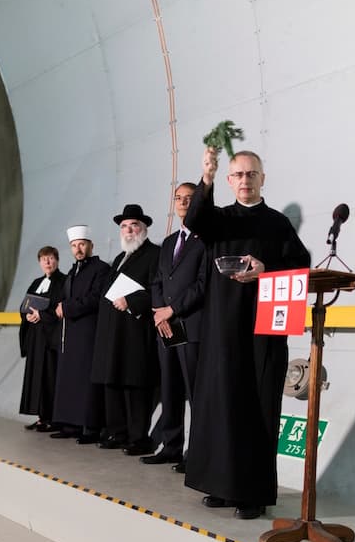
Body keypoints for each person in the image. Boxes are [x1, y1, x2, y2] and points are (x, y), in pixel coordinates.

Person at [183, 148, 311, 519]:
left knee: (258, 407)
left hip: (263, 330)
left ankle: (253, 493)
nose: (245, 180)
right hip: (222, 329)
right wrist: (205, 177)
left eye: (251, 174)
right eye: (238, 174)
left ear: (262, 179)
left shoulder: (278, 224)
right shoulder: (219, 219)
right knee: (222, 404)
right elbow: (194, 219)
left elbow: (300, 265)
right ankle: (222, 486)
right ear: (229, 180)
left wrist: (265, 269)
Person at [142, 182, 208, 470]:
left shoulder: (206, 240)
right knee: (169, 389)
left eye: (188, 198)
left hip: (190, 326)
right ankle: (171, 447)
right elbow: (157, 281)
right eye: (178, 198)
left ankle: (198, 455)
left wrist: (172, 310)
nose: (182, 203)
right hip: (166, 327)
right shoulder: (169, 242)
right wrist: (160, 313)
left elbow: (203, 284)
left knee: (195, 393)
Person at [90, 204, 161, 453]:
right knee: (113, 383)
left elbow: (158, 290)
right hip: (113, 334)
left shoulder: (155, 254)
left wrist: (131, 301)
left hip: (135, 332)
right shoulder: (120, 258)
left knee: (134, 386)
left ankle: (138, 438)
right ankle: (117, 432)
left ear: (144, 228)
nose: (128, 230)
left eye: (133, 225)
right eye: (124, 226)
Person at [50, 226, 111, 441]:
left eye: (82, 244)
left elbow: (96, 298)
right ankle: (71, 425)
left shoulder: (101, 269)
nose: (78, 249)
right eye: (74, 246)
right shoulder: (71, 272)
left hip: (88, 333)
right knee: (70, 380)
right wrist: (60, 306)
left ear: (91, 245)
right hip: (70, 333)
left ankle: (90, 428)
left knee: (86, 381)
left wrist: (67, 307)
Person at [19, 246, 67, 432]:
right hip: (36, 339)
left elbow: (61, 309)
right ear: (39, 263)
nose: (47, 262)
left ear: (57, 260)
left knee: (50, 378)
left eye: (51, 258)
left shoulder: (63, 282)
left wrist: (42, 315)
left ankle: (53, 419)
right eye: (43, 259)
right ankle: (41, 418)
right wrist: (27, 316)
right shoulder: (36, 282)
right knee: (37, 379)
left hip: (51, 339)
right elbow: (24, 306)